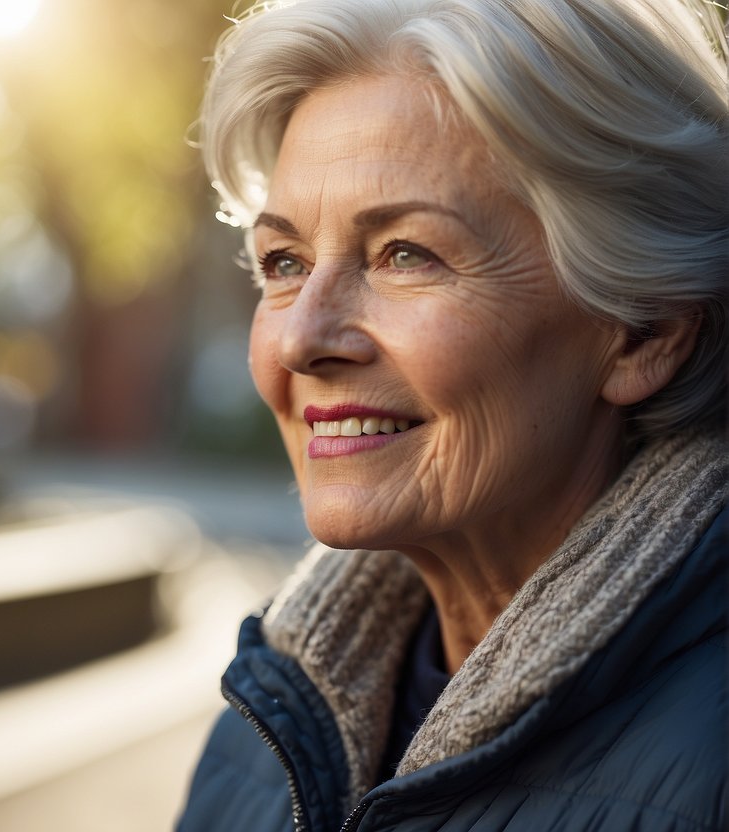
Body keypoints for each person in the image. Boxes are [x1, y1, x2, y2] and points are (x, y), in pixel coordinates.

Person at [176, 0, 728, 829]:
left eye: (405, 254)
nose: (300, 338)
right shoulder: (255, 737)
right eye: (283, 261)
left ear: (641, 333)